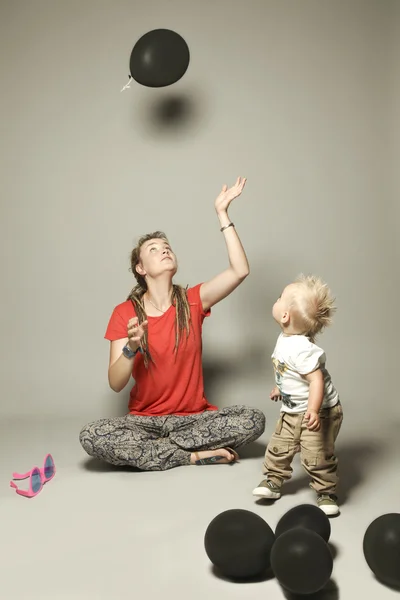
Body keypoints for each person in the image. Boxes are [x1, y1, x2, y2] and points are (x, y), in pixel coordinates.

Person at [79, 177, 265, 471]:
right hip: (144, 422)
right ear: (140, 269)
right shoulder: (124, 312)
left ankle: (159, 454)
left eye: (167, 247)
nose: (164, 250)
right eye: (153, 249)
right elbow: (116, 384)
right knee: (92, 435)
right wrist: (131, 347)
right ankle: (192, 455)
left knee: (253, 419)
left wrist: (223, 214)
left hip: (194, 419)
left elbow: (240, 270)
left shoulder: (193, 301)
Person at [252, 275, 343, 516]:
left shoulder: (302, 349)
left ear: (285, 316)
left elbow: (316, 380)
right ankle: (273, 481)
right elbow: (289, 372)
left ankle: (326, 490)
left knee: (316, 454)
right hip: (293, 408)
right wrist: (281, 388)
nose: (278, 298)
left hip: (319, 412)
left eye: (280, 297)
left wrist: (313, 410)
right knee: (279, 446)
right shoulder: (286, 339)